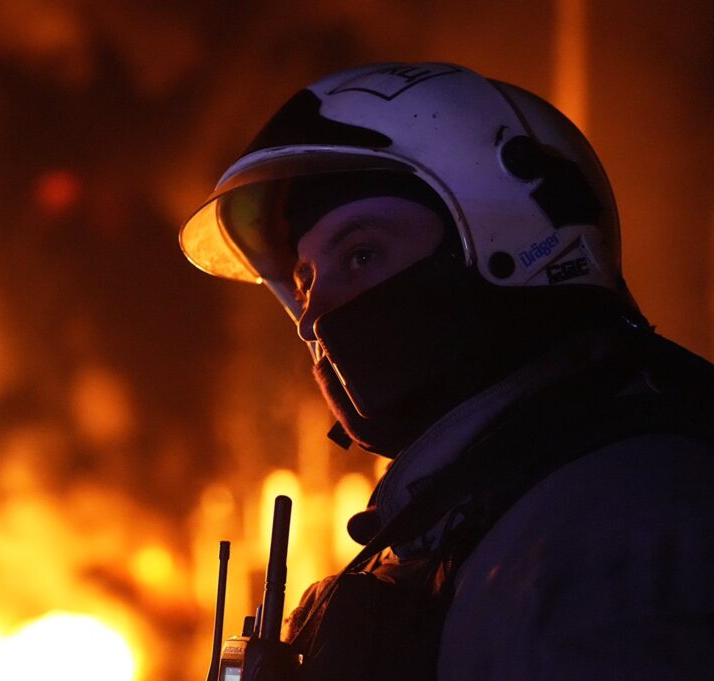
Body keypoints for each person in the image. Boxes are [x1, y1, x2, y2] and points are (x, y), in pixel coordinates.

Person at [179, 62, 714, 680]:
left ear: (506, 239)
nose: (313, 318)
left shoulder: (624, 536)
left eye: (361, 254)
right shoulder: (478, 521)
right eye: (304, 282)